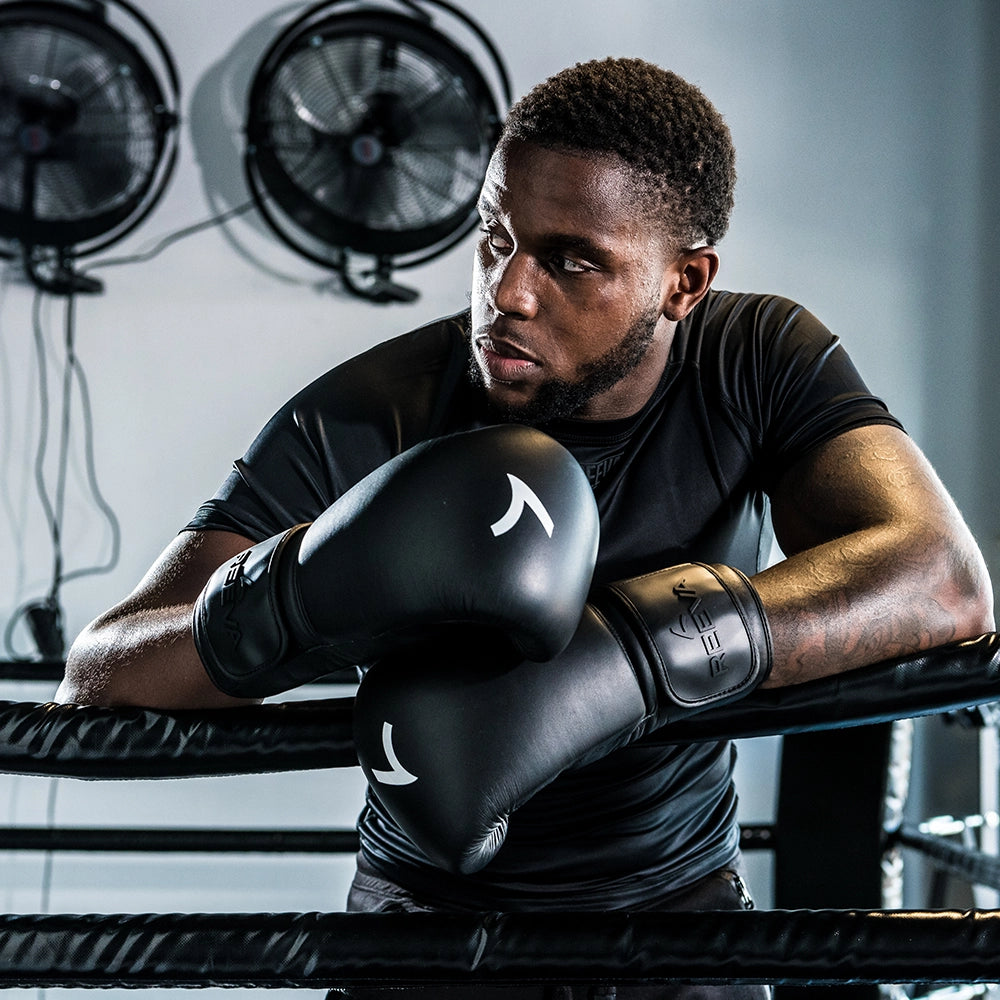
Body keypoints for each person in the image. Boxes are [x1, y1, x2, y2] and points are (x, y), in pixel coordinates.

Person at [57, 57, 993, 999]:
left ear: (684, 282)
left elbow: (942, 578)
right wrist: (303, 591)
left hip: (675, 919)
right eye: (494, 238)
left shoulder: (755, 362)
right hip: (421, 929)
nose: (508, 291)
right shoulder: (373, 412)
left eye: (571, 259)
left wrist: (627, 656)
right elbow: (99, 670)